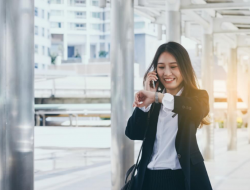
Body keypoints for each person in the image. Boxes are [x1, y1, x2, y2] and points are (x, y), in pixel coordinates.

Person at [125, 42, 213, 190]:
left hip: (182, 180)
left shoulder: (198, 97)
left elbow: (198, 110)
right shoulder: (153, 101)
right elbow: (133, 133)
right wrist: (145, 104)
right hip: (148, 180)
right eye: (161, 67)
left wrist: (159, 97)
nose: (167, 73)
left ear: (184, 68)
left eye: (173, 66)